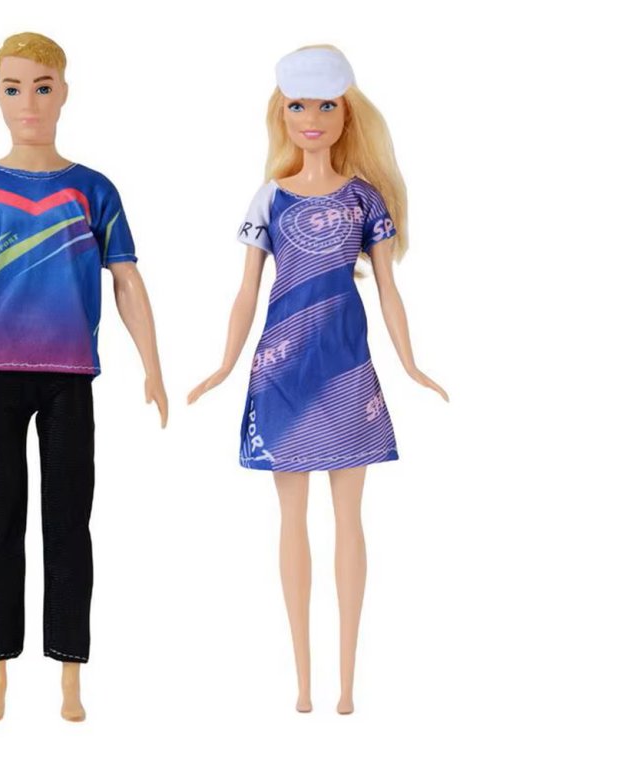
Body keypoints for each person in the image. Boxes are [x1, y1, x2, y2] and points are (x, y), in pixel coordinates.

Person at [0, 31, 168, 722]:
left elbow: (128, 281)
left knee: (69, 522)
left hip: (70, 376)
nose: (29, 102)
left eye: (43, 87)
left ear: (64, 93)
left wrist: (153, 365)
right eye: (14, 87)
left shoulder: (93, 189)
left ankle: (70, 674)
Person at [188, 44, 447, 714]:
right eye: (298, 105)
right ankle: (304, 683)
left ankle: (347, 685)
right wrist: (223, 364)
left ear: (346, 113)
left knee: (349, 521)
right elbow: (246, 291)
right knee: (292, 520)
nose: (311, 118)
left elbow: (388, 288)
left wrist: (411, 363)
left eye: (326, 105)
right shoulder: (269, 197)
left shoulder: (366, 198)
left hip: (346, 368)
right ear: (281, 112)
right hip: (281, 371)